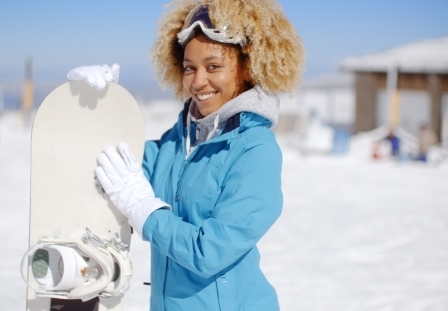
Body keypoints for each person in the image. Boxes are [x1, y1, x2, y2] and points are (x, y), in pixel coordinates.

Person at [91, 1, 304, 310]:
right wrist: (96, 106)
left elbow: (209, 252)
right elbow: (115, 166)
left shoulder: (255, 151)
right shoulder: (176, 142)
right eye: (190, 68)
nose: (198, 81)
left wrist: (145, 211)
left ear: (248, 67)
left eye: (213, 66)